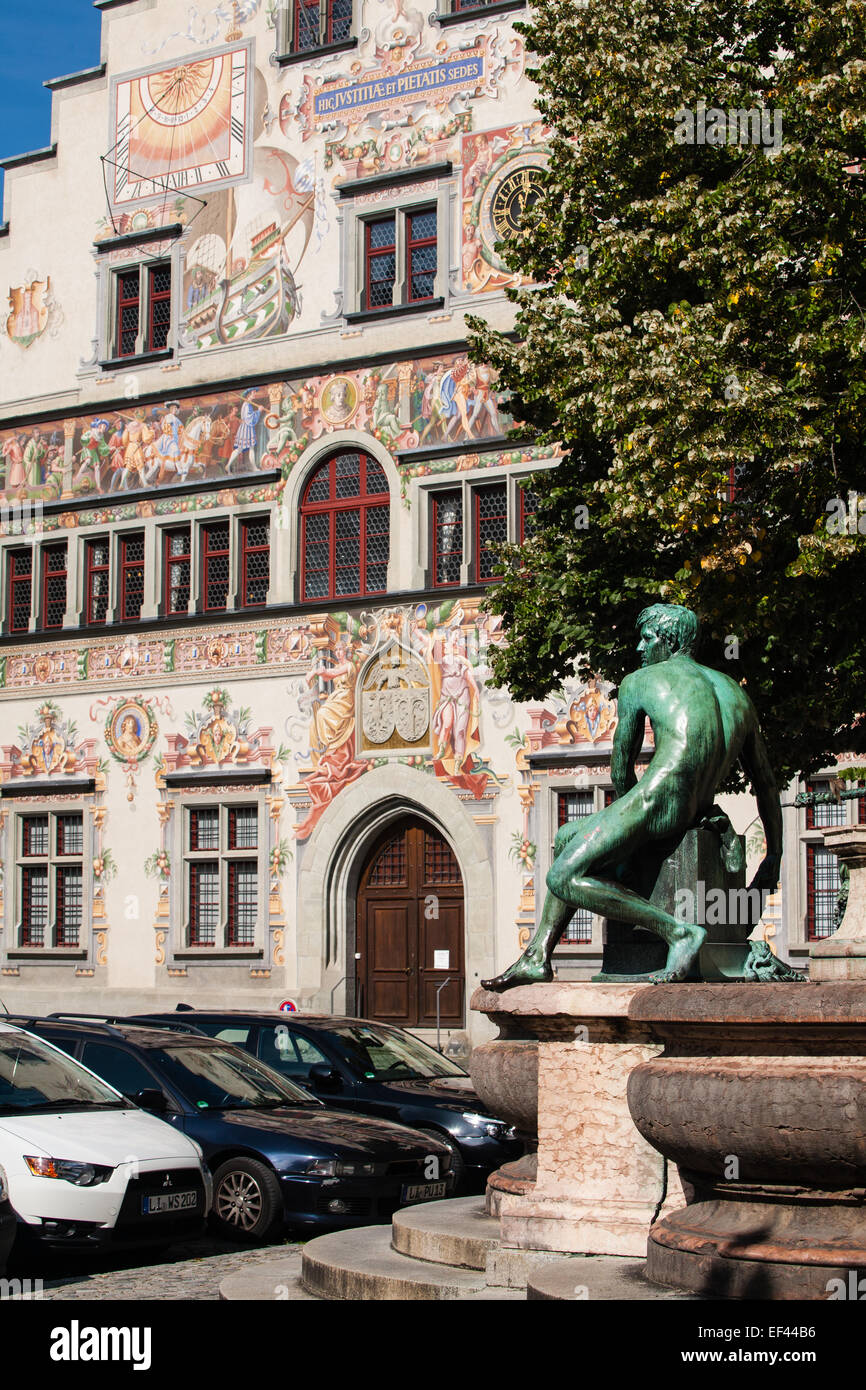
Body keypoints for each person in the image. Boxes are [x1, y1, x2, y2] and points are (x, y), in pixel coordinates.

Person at [482, 604, 783, 990]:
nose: (640, 647)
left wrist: (630, 835)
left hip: (656, 800)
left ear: (669, 641)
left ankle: (678, 932)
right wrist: (773, 852)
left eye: (647, 638)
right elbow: (766, 783)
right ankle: (539, 955)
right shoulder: (735, 694)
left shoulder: (639, 680)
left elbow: (620, 770)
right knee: (565, 838)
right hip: (692, 806)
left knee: (563, 876)